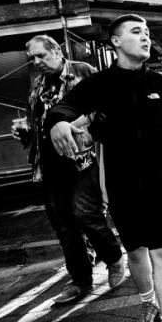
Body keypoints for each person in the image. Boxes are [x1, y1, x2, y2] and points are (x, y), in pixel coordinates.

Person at [45, 15, 162, 322]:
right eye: (136, 32)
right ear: (115, 42)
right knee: (137, 251)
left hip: (161, 179)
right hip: (119, 182)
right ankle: (148, 303)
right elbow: (64, 108)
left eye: (147, 33)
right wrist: (57, 123)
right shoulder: (100, 84)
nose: (146, 38)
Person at [14, 35, 126, 306]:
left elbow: (108, 107)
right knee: (63, 225)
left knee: (84, 212)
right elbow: (39, 126)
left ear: (56, 50)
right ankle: (81, 281)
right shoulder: (37, 86)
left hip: (82, 158)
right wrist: (26, 133)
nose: (36, 62)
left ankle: (113, 258)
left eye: (41, 55)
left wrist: (81, 127)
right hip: (50, 164)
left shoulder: (83, 72)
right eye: (32, 59)